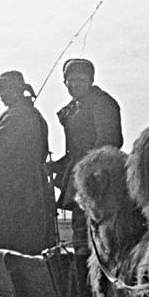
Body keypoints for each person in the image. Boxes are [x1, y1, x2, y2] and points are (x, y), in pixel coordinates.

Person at [0, 70, 57, 254]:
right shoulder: (33, 115)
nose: (2, 96)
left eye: (5, 91)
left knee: (0, 243)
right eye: (0, 92)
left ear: (16, 90)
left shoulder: (17, 115)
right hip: (34, 188)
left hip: (12, 191)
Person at [51, 57, 123, 249]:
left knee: (98, 237)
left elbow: (110, 140)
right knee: (81, 234)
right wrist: (55, 166)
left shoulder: (102, 103)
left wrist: (88, 170)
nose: (74, 85)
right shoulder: (74, 108)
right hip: (79, 179)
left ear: (90, 80)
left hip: (100, 181)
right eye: (70, 80)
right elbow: (74, 151)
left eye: (80, 80)